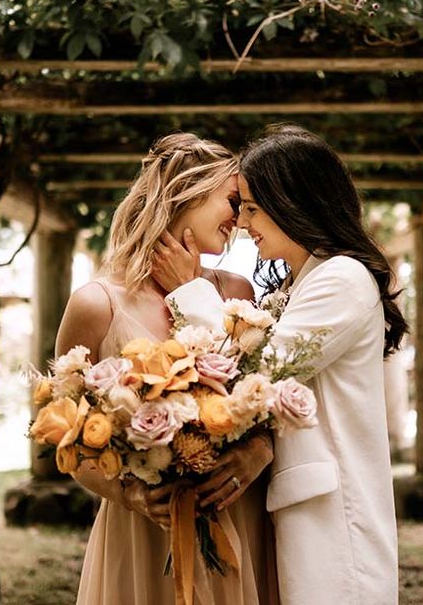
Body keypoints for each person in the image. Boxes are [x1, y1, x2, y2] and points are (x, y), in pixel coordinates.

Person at [152, 123, 407, 605]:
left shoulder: (343, 279)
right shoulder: (305, 282)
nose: (244, 225)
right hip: (303, 510)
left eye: (251, 207)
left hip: (337, 519)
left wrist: (189, 289)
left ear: (294, 199)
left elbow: (256, 374)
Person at [55, 132, 279, 605]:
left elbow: (263, 396)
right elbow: (66, 437)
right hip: (144, 529)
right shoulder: (96, 304)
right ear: (186, 192)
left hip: (236, 511)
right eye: (232, 201)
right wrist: (131, 495)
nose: (240, 218)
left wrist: (257, 451)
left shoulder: (236, 289)